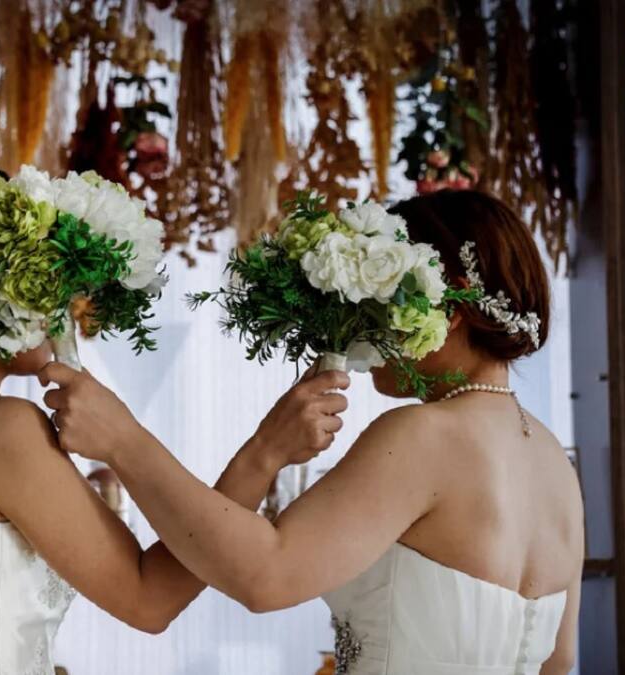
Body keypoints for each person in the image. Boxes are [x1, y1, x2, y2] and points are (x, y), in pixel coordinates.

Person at [42, 189, 584, 675]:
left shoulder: (425, 436)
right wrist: (266, 451)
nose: (364, 327)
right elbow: (557, 662)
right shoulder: (554, 465)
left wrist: (123, 441)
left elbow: (266, 575)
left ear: (453, 305)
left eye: (381, 298)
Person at [0, 167, 350, 674]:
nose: (62, 308)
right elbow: (150, 599)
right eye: (43, 281)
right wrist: (265, 452)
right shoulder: (2, 429)